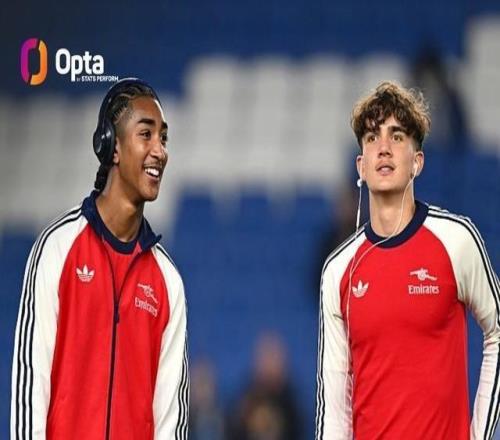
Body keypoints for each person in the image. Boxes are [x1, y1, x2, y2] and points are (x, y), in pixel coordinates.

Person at [315, 81, 499, 439]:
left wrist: (479, 434)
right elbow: (334, 403)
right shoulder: (338, 269)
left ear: (417, 162)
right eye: (372, 138)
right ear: (361, 166)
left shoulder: (456, 241)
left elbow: (497, 330)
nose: (383, 148)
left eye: (397, 136)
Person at [11, 78, 189, 439]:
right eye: (146, 134)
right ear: (112, 145)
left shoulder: (168, 281)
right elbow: (32, 388)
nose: (160, 151)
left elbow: (170, 422)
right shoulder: (57, 248)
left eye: (164, 138)